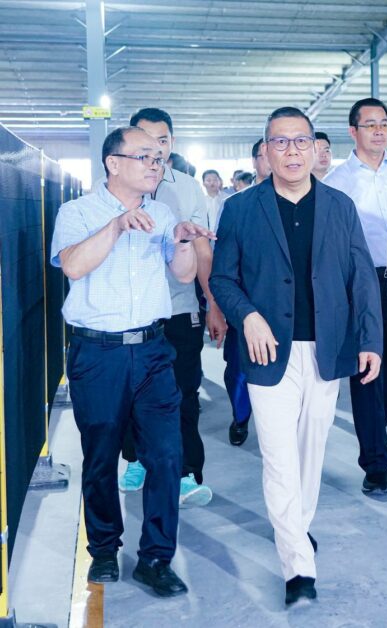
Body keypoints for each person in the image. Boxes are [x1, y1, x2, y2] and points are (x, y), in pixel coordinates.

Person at [210, 106, 382, 605]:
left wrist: (370, 340)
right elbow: (222, 278)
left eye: (300, 141)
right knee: (280, 460)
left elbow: (361, 279)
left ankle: (296, 532)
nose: (291, 151)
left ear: (314, 148)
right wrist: (248, 316)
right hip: (268, 353)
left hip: (326, 349)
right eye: (280, 142)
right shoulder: (241, 209)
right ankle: (298, 569)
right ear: (266, 151)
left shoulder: (340, 206)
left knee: (310, 455)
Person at [51, 126, 214, 596]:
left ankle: (156, 558)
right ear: (113, 163)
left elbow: (182, 273)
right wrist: (118, 225)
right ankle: (104, 548)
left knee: (166, 455)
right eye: (144, 156)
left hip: (152, 351)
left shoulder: (161, 213)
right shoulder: (78, 212)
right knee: (101, 455)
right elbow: (73, 265)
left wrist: (181, 240)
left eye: (158, 158)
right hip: (97, 354)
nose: (154, 165)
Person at [115, 107, 227, 509]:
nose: (155, 151)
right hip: (131, 314)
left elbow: (202, 248)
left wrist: (213, 304)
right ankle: (136, 459)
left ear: (172, 143)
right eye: (145, 142)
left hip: (179, 309)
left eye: (162, 141)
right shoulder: (115, 186)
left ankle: (185, 473)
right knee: (132, 393)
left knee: (183, 393)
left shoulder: (188, 188)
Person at [324, 98, 387, 495]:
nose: (379, 130)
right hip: (360, 283)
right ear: (353, 131)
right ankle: (375, 462)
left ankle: (378, 430)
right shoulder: (336, 183)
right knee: (366, 371)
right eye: (370, 124)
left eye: (384, 123)